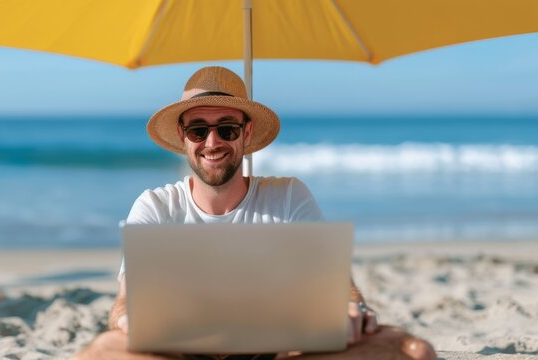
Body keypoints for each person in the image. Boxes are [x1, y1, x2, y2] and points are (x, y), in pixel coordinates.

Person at [73, 66, 436, 360]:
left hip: (278, 352)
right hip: (181, 354)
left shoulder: (289, 195)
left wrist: (350, 308)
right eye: (198, 130)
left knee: (414, 351)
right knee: (99, 352)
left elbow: (337, 283)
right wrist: (127, 319)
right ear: (183, 137)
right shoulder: (155, 206)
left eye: (226, 128)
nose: (212, 143)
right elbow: (126, 297)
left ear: (245, 134)